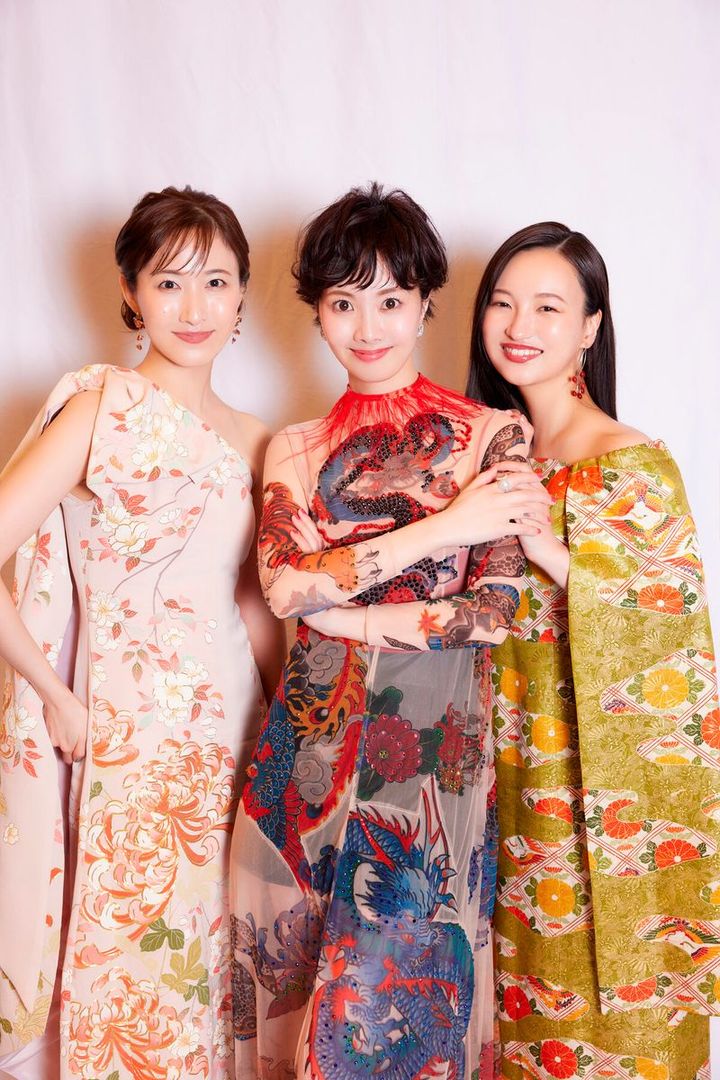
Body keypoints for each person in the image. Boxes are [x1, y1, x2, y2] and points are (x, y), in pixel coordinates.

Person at [229, 184, 558, 1079]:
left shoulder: (494, 436)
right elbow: (283, 586)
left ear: (423, 302)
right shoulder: (294, 446)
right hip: (305, 761)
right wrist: (445, 528)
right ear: (316, 313)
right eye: (343, 303)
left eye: (389, 299)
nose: (367, 327)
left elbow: (490, 613)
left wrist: (340, 611)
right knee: (291, 1005)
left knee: (408, 1013)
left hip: (431, 775)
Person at [0, 185, 282, 1080]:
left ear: (242, 296)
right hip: (126, 733)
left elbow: (251, 604)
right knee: (133, 960)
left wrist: (291, 730)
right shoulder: (101, 408)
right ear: (131, 292)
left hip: (232, 731)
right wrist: (56, 698)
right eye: (169, 282)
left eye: (216, 282)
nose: (194, 308)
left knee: (225, 961)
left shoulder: (257, 439)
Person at [466, 221, 718, 1079]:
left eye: (547, 306)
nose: (518, 325)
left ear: (590, 328)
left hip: (598, 798)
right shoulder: (486, 457)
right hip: (499, 784)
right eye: (502, 303)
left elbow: (673, 641)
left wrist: (555, 553)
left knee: (618, 1025)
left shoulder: (629, 463)